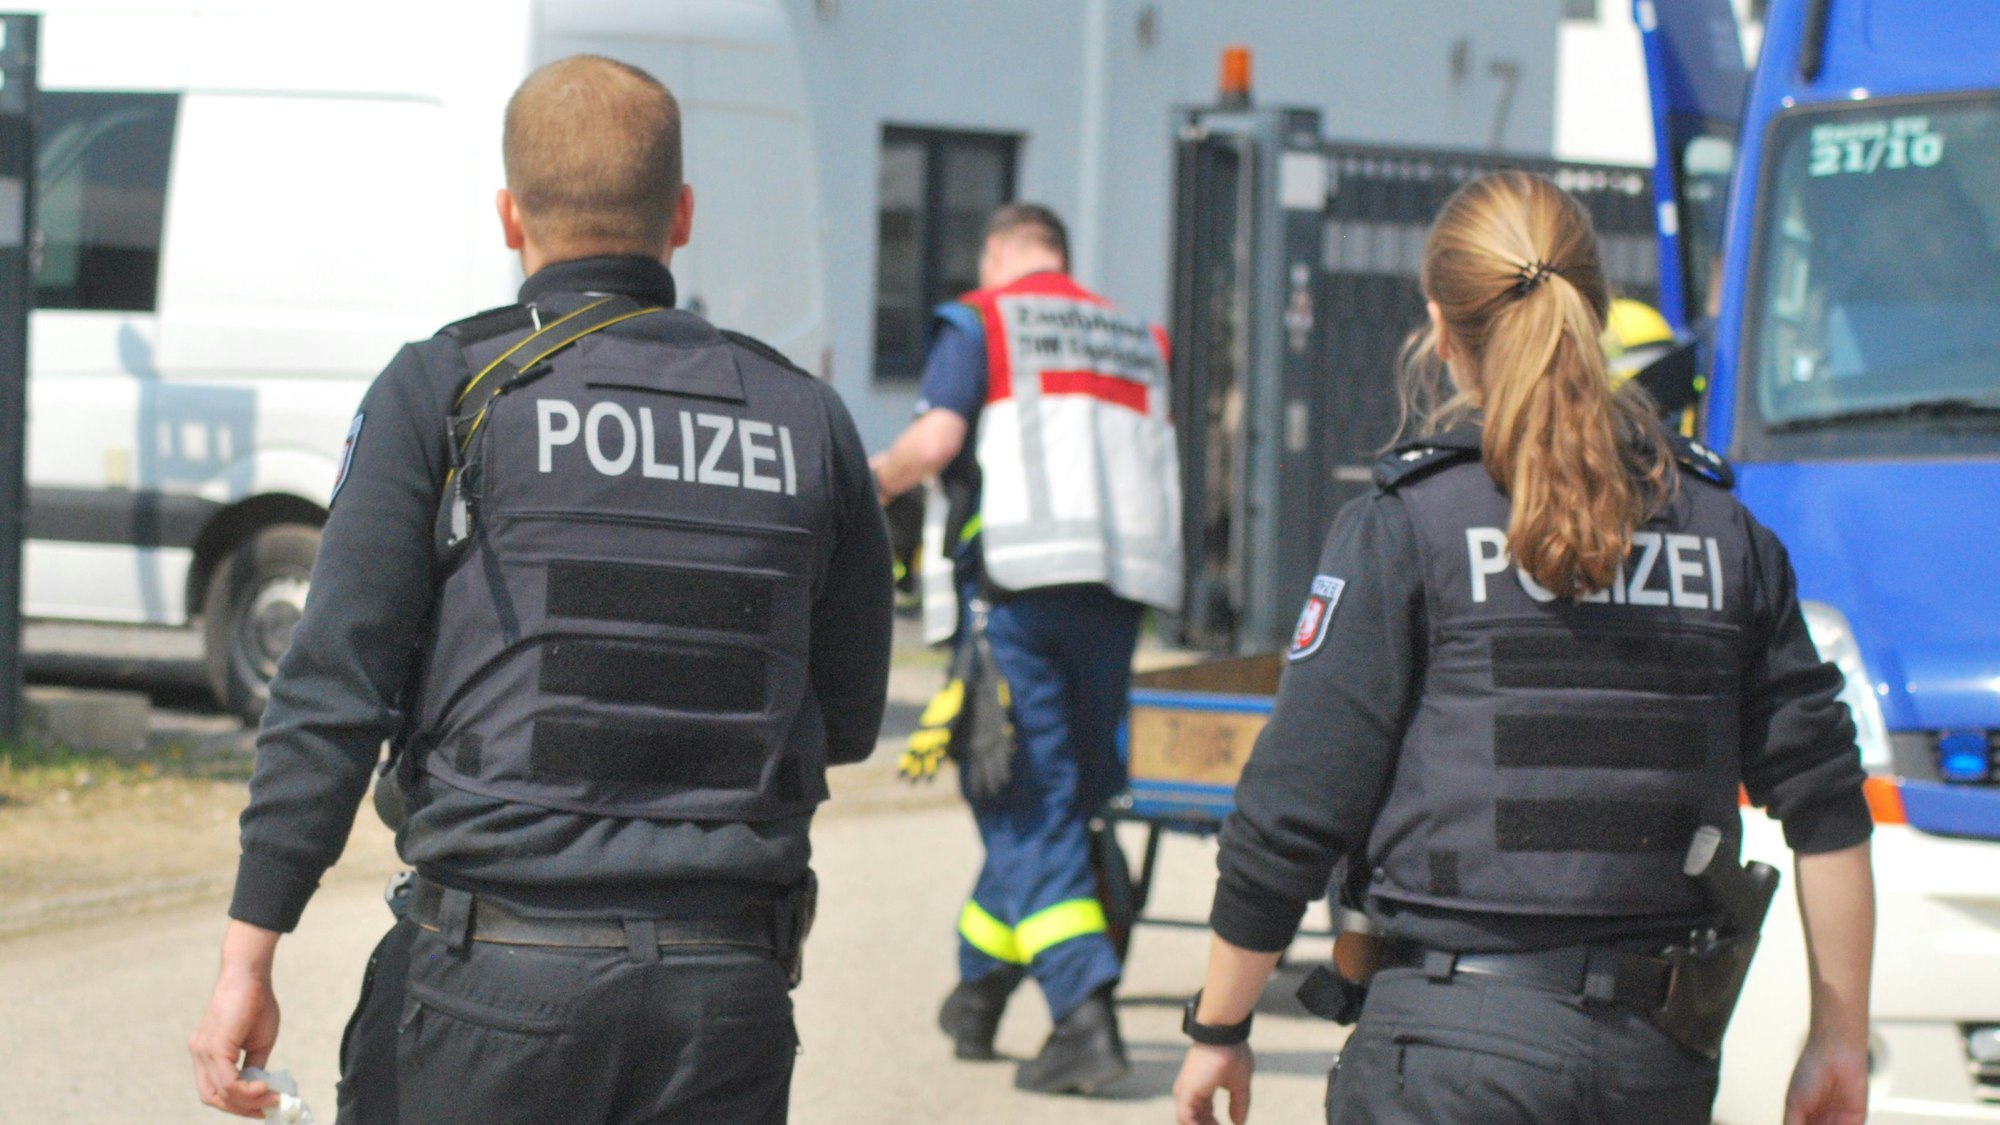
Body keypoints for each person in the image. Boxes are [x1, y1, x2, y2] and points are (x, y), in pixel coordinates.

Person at [188, 55, 893, 1124]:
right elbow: (846, 716)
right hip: (722, 1000)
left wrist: (250, 953)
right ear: (682, 215)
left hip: (496, 989)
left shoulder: (449, 387)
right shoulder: (804, 415)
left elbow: (332, 689)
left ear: (509, 215)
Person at [1171, 171, 1874, 1125]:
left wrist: (1219, 1026)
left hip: (1447, 1057)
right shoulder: (1724, 533)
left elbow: (1293, 807)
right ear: (1596, 310)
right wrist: (1840, 1038)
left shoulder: (1407, 526)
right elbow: (1827, 803)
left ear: (1441, 329)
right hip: (1651, 1069)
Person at [870, 203, 1183, 1096]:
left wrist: (864, 484)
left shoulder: (984, 319)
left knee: (1022, 801)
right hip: (1118, 595)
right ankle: (978, 992)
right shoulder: (1136, 338)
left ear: (998, 251)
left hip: (1017, 598)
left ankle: (1085, 1019)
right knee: (1061, 798)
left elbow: (937, 441)